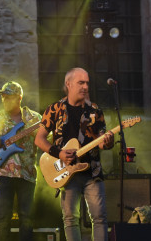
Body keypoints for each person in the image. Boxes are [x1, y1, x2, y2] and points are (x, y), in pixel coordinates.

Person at [34, 67, 114, 241]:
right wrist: (60, 154)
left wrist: (108, 142)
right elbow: (39, 139)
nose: (85, 86)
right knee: (70, 219)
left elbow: (101, 142)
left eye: (87, 83)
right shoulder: (54, 109)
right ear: (68, 84)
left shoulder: (95, 111)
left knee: (99, 218)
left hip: (92, 172)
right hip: (67, 172)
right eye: (81, 82)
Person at [0, 81, 41, 241]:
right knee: (3, 218)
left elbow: (47, 142)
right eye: (3, 97)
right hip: (4, 175)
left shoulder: (34, 119)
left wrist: (42, 135)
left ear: (19, 98)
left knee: (27, 218)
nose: (4, 100)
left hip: (27, 174)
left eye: (8, 97)